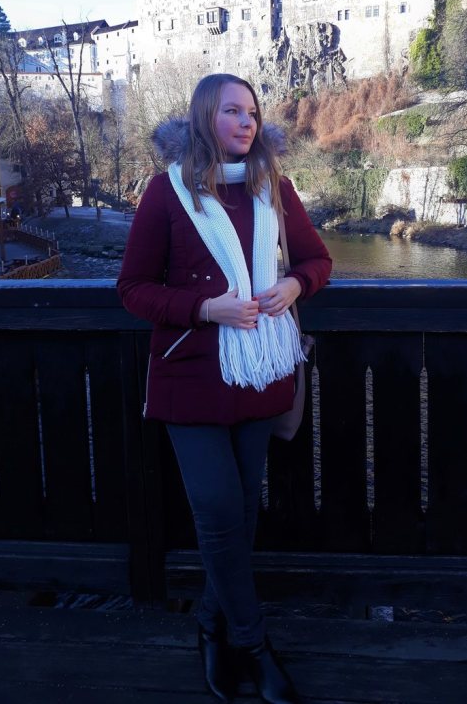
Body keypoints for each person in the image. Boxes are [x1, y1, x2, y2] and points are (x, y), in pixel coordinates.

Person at [117, 73, 331, 704]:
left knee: (240, 514)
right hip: (191, 378)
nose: (247, 122)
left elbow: (318, 260)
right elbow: (133, 289)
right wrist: (205, 308)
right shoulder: (167, 191)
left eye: (253, 113)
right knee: (216, 510)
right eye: (233, 111)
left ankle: (211, 625)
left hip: (260, 375)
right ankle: (254, 646)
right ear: (205, 117)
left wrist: (293, 285)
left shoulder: (273, 187)